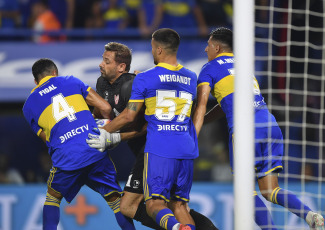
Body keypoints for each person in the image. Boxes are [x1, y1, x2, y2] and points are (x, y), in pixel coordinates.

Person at [192, 27, 325, 230]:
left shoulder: (209, 68)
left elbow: (201, 106)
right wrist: (209, 120)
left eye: (208, 45)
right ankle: (309, 215)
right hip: (269, 125)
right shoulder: (244, 66)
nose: (205, 50)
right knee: (270, 190)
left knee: (245, 192)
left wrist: (192, 137)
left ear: (216, 47)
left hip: (246, 129)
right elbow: (228, 102)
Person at [91, 41, 218, 230]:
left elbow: (145, 125)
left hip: (153, 151)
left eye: (106, 61)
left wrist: (113, 136)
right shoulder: (102, 83)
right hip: (165, 149)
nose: (101, 64)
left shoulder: (131, 85)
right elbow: (101, 115)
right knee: (175, 205)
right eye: (103, 60)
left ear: (121, 67)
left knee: (130, 205)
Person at [22, 58, 135, 230]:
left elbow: (48, 139)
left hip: (67, 158)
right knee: (115, 200)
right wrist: (91, 123)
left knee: (53, 198)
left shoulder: (28, 105)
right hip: (94, 147)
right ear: (54, 73)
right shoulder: (71, 81)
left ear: (35, 81)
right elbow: (105, 108)